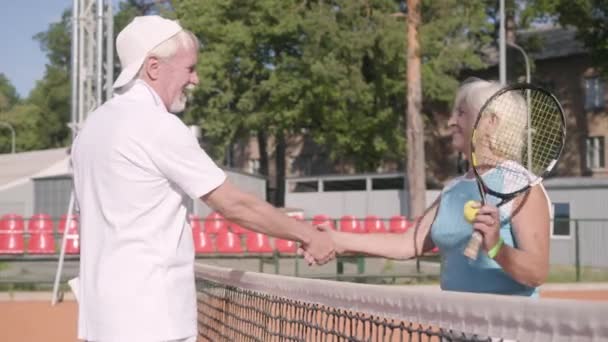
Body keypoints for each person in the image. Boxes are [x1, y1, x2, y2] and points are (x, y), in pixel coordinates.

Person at [71, 15, 335, 342]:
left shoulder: (92, 128)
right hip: (152, 323)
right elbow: (235, 204)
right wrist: (307, 235)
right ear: (154, 67)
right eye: (189, 68)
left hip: (102, 321)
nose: (195, 80)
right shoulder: (156, 125)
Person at [321, 78, 551, 297]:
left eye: (461, 113)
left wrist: (495, 247)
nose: (451, 122)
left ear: (491, 122)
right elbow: (407, 243)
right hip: (453, 329)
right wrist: (337, 240)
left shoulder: (523, 187)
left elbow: (536, 273)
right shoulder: (453, 189)